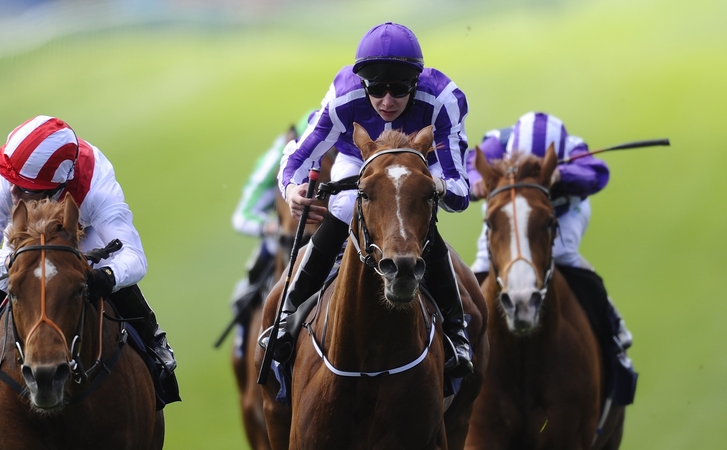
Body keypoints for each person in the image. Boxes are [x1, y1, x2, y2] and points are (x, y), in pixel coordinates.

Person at [270, 22, 474, 377]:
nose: (387, 101)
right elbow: (297, 157)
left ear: (416, 82)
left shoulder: (443, 99)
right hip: (359, 155)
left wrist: (429, 189)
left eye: (398, 89)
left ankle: (456, 331)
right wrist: (291, 190)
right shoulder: (343, 96)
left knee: (413, 210)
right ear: (362, 84)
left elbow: (459, 191)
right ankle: (288, 313)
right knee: (346, 205)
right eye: (376, 90)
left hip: (419, 160)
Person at [0, 115, 177, 401]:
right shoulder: (5, 173)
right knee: (7, 282)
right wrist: (13, 263)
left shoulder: (95, 184)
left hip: (82, 241)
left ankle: (154, 347)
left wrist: (106, 277)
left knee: (114, 282)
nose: (12, 191)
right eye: (12, 181)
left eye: (24, 189)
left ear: (56, 189)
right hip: (25, 244)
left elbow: (133, 256)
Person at [467, 112, 635, 401]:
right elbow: (471, 162)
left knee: (563, 254)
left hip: (563, 212)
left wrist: (561, 174)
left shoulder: (574, 148)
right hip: (508, 213)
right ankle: (456, 337)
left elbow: (598, 174)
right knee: (482, 266)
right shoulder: (498, 142)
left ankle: (612, 324)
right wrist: (475, 181)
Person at [227, 110, 315, 341]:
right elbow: (243, 216)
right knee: (244, 297)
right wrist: (274, 228)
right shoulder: (277, 158)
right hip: (286, 240)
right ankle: (243, 346)